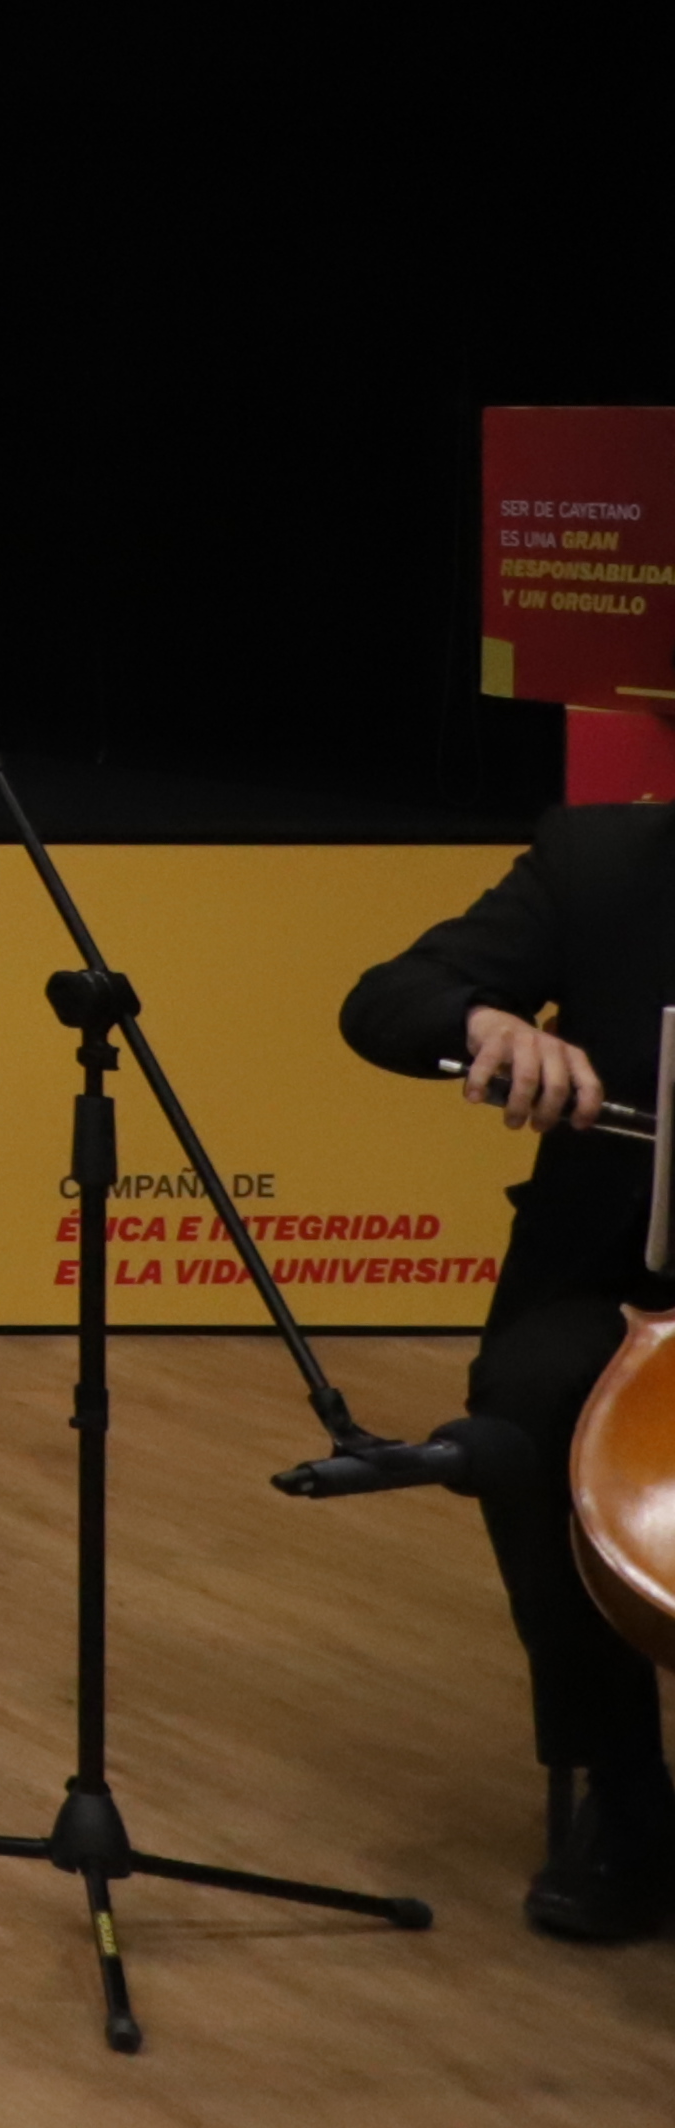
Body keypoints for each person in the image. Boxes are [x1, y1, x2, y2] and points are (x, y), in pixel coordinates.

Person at [335, 804, 673, 1942]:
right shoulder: (605, 860)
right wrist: (486, 1020)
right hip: (625, 1287)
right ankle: (626, 1797)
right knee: (530, 1404)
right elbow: (388, 997)